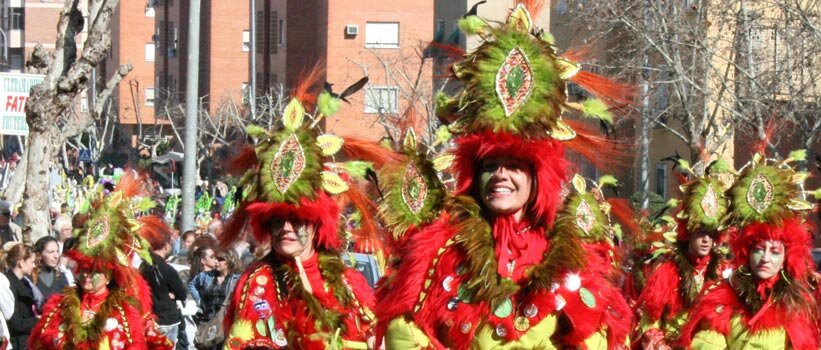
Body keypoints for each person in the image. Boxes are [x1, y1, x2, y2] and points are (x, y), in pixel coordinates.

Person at [373, 3, 635, 349]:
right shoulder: (439, 250)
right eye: (489, 165)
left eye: (514, 166)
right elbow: (403, 332)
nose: (500, 175)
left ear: (537, 176)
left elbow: (598, 336)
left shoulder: (569, 255)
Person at [219, 72, 387, 349]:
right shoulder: (257, 281)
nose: (285, 228)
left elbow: (374, 334)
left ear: (315, 223)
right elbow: (239, 341)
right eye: (277, 220)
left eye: (296, 220)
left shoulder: (348, 283)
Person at [677, 150, 821, 349]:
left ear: (786, 257)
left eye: (774, 252)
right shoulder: (723, 296)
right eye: (758, 249)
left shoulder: (796, 303)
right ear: (746, 252)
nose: (765, 258)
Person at [29, 171, 174, 349]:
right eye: (83, 269)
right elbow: (39, 343)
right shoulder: (60, 307)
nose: (86, 275)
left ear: (109, 274)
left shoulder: (125, 313)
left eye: (95, 270)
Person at [636, 161, 731, 349]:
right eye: (700, 233)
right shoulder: (667, 271)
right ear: (688, 233)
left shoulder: (723, 272)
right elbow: (651, 322)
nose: (706, 240)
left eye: (710, 234)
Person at [141, 235, 189, 346]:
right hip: (167, 319)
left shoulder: (143, 266)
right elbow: (182, 294)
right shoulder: (167, 268)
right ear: (166, 246)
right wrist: (174, 295)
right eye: (171, 244)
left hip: (150, 319)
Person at [3, 245, 37, 350]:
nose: (34, 265)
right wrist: (38, 320)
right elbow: (15, 324)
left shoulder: (24, 283)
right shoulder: (8, 285)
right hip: (16, 344)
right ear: (21, 263)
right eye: (32, 262)